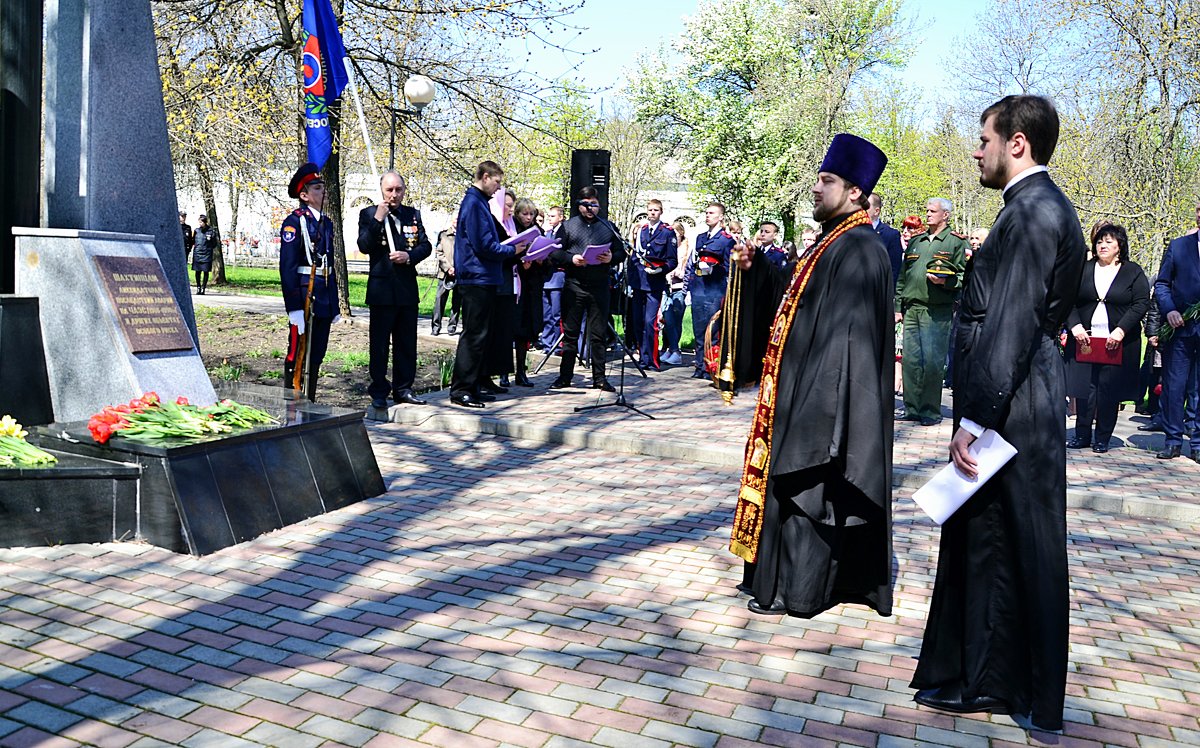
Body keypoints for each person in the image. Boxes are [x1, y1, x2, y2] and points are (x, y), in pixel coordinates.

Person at [910, 94, 1087, 732]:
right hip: (1014, 394)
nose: (975, 150)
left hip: (1018, 402)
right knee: (990, 536)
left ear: (1017, 143)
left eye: (984, 138)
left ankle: (1035, 697)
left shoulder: (1035, 212)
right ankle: (988, 680)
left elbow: (1012, 322)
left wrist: (975, 417)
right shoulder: (1027, 209)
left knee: (1027, 540)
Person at [727, 133, 894, 620]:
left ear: (856, 191)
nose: (816, 189)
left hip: (821, 407)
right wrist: (755, 268)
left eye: (827, 181)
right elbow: (794, 302)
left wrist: (814, 418)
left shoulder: (861, 249)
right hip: (795, 396)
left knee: (810, 490)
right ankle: (775, 582)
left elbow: (847, 349)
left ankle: (798, 592)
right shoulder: (832, 242)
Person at [1063, 224, 1150, 452]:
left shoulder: (1133, 271)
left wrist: (1121, 330)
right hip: (1085, 340)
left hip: (1116, 341)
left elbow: (1141, 303)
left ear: (1119, 247)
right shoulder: (1083, 268)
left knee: (1108, 389)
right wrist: (1075, 326)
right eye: (1100, 241)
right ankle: (1081, 434)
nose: (1103, 245)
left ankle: (1102, 437)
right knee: (1084, 389)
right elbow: (1067, 299)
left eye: (1109, 242)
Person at [448, 162, 524, 408]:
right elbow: (483, 245)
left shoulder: (480, 203)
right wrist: (513, 249)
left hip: (485, 277)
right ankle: (461, 389)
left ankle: (475, 383)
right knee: (474, 334)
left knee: (483, 334)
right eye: (497, 182)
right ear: (485, 176)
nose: (498, 188)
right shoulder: (474, 203)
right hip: (476, 277)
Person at [358, 171, 432, 410]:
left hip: (406, 289)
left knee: (406, 343)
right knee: (379, 345)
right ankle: (379, 390)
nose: (394, 194)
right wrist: (378, 219)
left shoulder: (412, 214)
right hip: (382, 290)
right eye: (390, 190)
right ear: (382, 190)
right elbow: (364, 246)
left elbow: (426, 245)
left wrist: (409, 256)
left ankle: (404, 389)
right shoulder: (368, 214)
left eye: (398, 189)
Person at [895, 198, 968, 426]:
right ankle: (912, 407)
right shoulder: (917, 241)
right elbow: (902, 276)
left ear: (945, 215)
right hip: (912, 308)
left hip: (937, 310)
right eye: (926, 210)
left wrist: (945, 283)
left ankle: (930, 410)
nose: (927, 214)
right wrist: (898, 307)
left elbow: (964, 276)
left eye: (932, 211)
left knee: (933, 361)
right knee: (911, 360)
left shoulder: (955, 243)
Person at [548, 186, 626, 391]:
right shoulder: (568, 226)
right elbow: (555, 253)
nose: (590, 208)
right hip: (574, 286)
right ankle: (565, 377)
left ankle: (599, 378)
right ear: (579, 205)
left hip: (599, 286)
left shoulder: (607, 226)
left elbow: (621, 252)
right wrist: (571, 259)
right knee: (571, 334)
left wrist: (612, 258)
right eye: (586, 204)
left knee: (598, 335)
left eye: (594, 204)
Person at [280, 163, 341, 402]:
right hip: (305, 295)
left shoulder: (326, 223)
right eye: (316, 188)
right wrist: (293, 306)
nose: (323, 192)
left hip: (323, 295)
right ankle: (293, 403)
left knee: (317, 354)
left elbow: (331, 265)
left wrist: (334, 304)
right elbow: (288, 267)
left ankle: (310, 401)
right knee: (297, 352)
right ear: (304, 195)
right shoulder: (294, 222)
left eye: (323, 187)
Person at [1153, 198, 1200, 460]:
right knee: (1174, 385)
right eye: (1199, 210)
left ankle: (1198, 444)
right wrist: (1169, 309)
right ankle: (1172, 439)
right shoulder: (1179, 246)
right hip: (1179, 327)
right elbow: (1162, 283)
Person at [687, 203, 735, 378]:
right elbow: (694, 263)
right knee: (698, 330)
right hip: (699, 288)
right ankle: (699, 367)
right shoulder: (700, 237)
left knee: (712, 331)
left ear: (721, 217)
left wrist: (715, 269)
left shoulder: (726, 239)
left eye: (712, 213)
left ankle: (711, 368)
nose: (708, 216)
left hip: (714, 291)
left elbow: (731, 268)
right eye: (706, 213)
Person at [628, 199, 678, 370]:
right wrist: (630, 279)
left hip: (654, 283)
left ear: (661, 212)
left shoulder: (667, 232)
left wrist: (661, 270)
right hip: (639, 283)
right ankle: (642, 357)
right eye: (650, 210)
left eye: (656, 210)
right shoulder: (641, 231)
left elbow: (672, 260)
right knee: (638, 322)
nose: (652, 213)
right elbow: (634, 257)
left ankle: (651, 359)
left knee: (650, 322)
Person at [486, 190, 518, 388]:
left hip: (509, 284)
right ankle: (486, 375)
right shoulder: (493, 224)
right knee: (492, 333)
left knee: (505, 332)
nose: (511, 209)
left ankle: (501, 373)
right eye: (507, 205)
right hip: (494, 285)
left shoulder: (511, 225)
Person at [512, 197, 546, 387]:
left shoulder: (537, 231)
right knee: (512, 328)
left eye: (532, 214)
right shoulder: (513, 229)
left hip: (532, 284)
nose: (528, 217)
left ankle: (521, 371)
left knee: (526, 330)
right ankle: (503, 372)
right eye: (525, 214)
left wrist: (541, 260)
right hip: (517, 283)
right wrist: (520, 261)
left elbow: (546, 255)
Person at [660, 222, 690, 366]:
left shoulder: (686, 250)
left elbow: (688, 270)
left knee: (675, 321)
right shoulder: (667, 248)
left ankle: (675, 351)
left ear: (681, 234)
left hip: (679, 288)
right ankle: (671, 349)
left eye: (676, 234)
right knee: (668, 320)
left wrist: (679, 272)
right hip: (667, 287)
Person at [539, 206, 567, 352]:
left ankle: (557, 344)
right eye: (549, 216)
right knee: (546, 314)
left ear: (561, 217)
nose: (549, 219)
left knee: (556, 314)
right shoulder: (547, 233)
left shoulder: (564, 233)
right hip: (546, 277)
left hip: (557, 277)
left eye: (552, 216)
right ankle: (547, 343)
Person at [432, 215, 459, 336]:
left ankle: (452, 326)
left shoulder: (466, 235)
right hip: (445, 273)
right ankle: (436, 326)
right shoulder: (443, 235)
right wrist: (448, 268)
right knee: (439, 300)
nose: (457, 221)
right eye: (455, 219)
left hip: (460, 274)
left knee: (457, 302)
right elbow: (439, 252)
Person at [869, 193, 903, 285]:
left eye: (866, 206)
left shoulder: (891, 235)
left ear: (876, 211)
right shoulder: (850, 232)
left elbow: (894, 270)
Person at [192, 214, 219, 295]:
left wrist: (208, 248)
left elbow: (214, 243)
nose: (200, 224)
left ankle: (203, 287)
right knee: (197, 272)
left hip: (207, 254)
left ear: (205, 222)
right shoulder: (196, 231)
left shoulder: (211, 231)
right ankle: (198, 287)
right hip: (197, 254)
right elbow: (193, 241)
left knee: (205, 271)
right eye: (199, 222)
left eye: (201, 222)